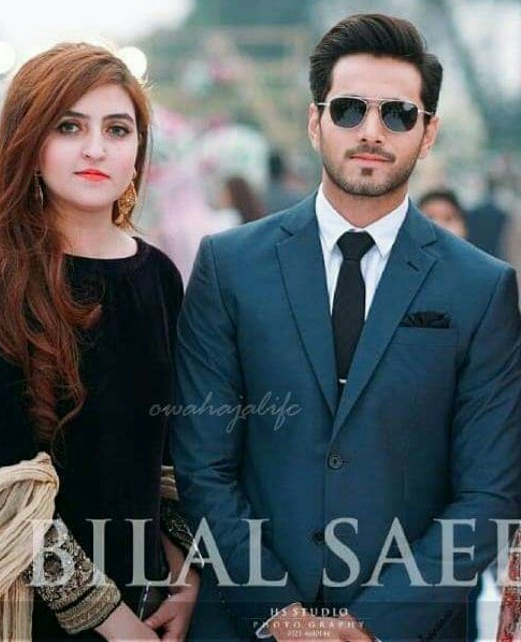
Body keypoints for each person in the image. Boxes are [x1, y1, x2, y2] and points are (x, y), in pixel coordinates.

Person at [170, 13, 521, 642]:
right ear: (315, 121)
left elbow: (489, 495)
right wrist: (280, 615)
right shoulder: (228, 267)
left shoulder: (483, 287)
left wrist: (368, 625)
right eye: (349, 109)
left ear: (429, 131)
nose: (371, 131)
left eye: (398, 114)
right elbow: (203, 468)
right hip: (246, 623)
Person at [0, 42, 198, 641]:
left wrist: (187, 574)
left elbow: (169, 444)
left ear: (138, 149)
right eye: (69, 126)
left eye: (117, 128)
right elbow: (1, 478)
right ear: (29, 145)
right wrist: (109, 622)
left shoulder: (158, 274)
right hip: (15, 596)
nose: (95, 148)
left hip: (141, 584)